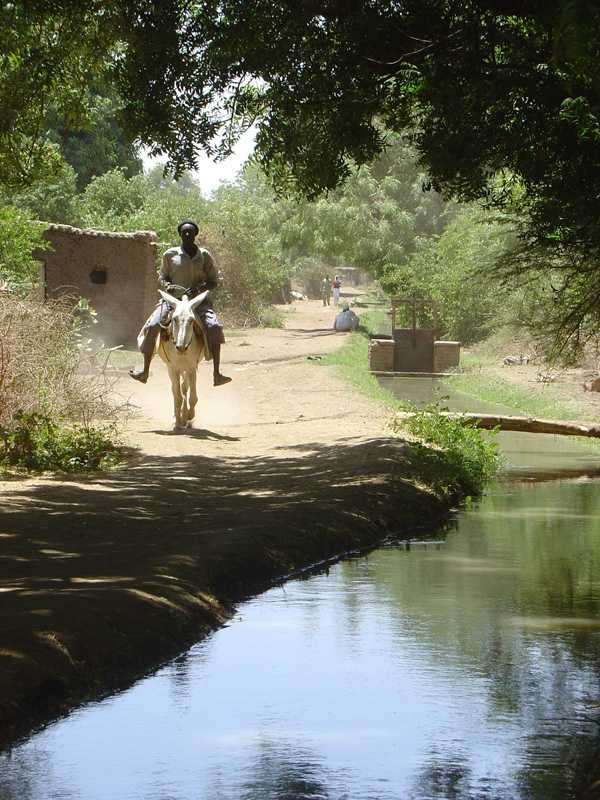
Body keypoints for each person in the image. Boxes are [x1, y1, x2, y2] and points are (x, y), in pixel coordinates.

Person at [130, 220, 231, 386]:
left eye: (190, 232)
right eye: (184, 232)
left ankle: (217, 373)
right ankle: (145, 371)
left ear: (195, 234)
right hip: (173, 302)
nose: (187, 235)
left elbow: (214, 281)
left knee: (213, 327)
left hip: (198, 303)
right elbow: (162, 277)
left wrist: (200, 288)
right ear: (180, 234)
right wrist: (167, 285)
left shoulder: (204, 255)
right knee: (153, 325)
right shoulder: (170, 255)